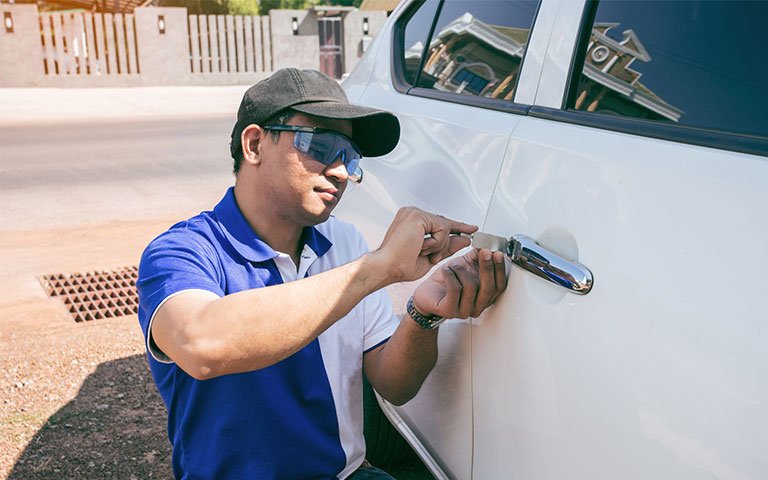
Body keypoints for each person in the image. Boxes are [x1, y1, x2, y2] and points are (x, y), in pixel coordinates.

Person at [137, 68, 507, 479]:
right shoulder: (182, 251)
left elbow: (394, 384)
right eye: (320, 144)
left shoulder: (344, 243)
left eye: (349, 156)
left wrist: (424, 312)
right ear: (255, 143)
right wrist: (379, 267)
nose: (341, 171)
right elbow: (200, 343)